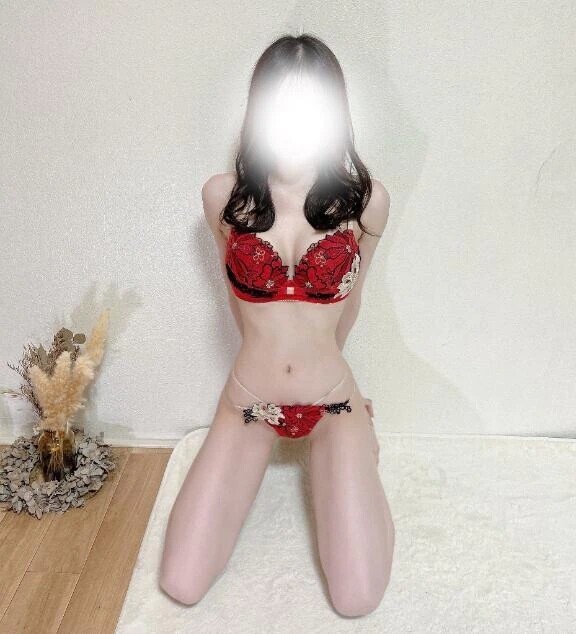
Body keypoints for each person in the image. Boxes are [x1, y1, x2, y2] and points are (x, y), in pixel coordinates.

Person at [160, 33, 395, 617]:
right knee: (181, 582)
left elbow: (352, 302)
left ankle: (358, 444)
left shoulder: (367, 203)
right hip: (251, 405)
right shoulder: (223, 199)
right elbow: (236, 300)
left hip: (332, 404)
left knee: (357, 599)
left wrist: (340, 385)